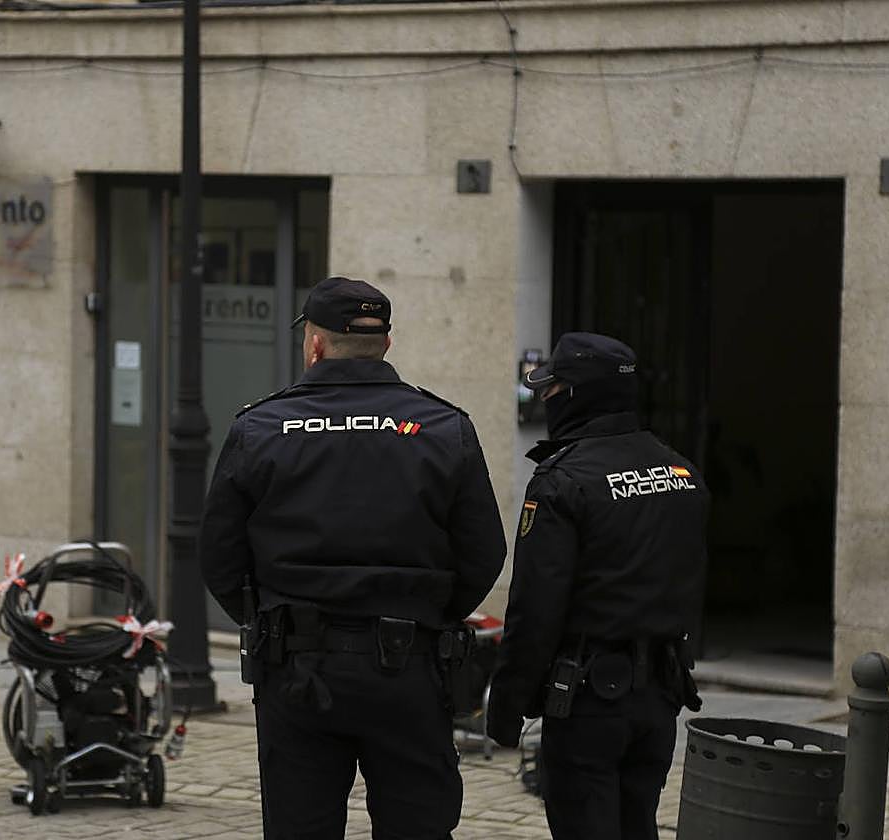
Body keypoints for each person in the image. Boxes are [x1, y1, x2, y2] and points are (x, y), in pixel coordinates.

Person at [198, 275, 506, 840]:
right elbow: (484, 553)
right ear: (386, 344)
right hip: (412, 668)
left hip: (296, 667)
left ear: (314, 344)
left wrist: (268, 616)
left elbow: (219, 555)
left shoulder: (261, 427)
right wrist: (429, 613)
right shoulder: (442, 427)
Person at [487, 331, 710, 840]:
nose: (544, 398)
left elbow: (535, 609)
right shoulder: (683, 472)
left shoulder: (563, 481)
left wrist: (506, 707)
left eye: (551, 388)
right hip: (659, 697)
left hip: (589, 703)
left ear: (573, 394)